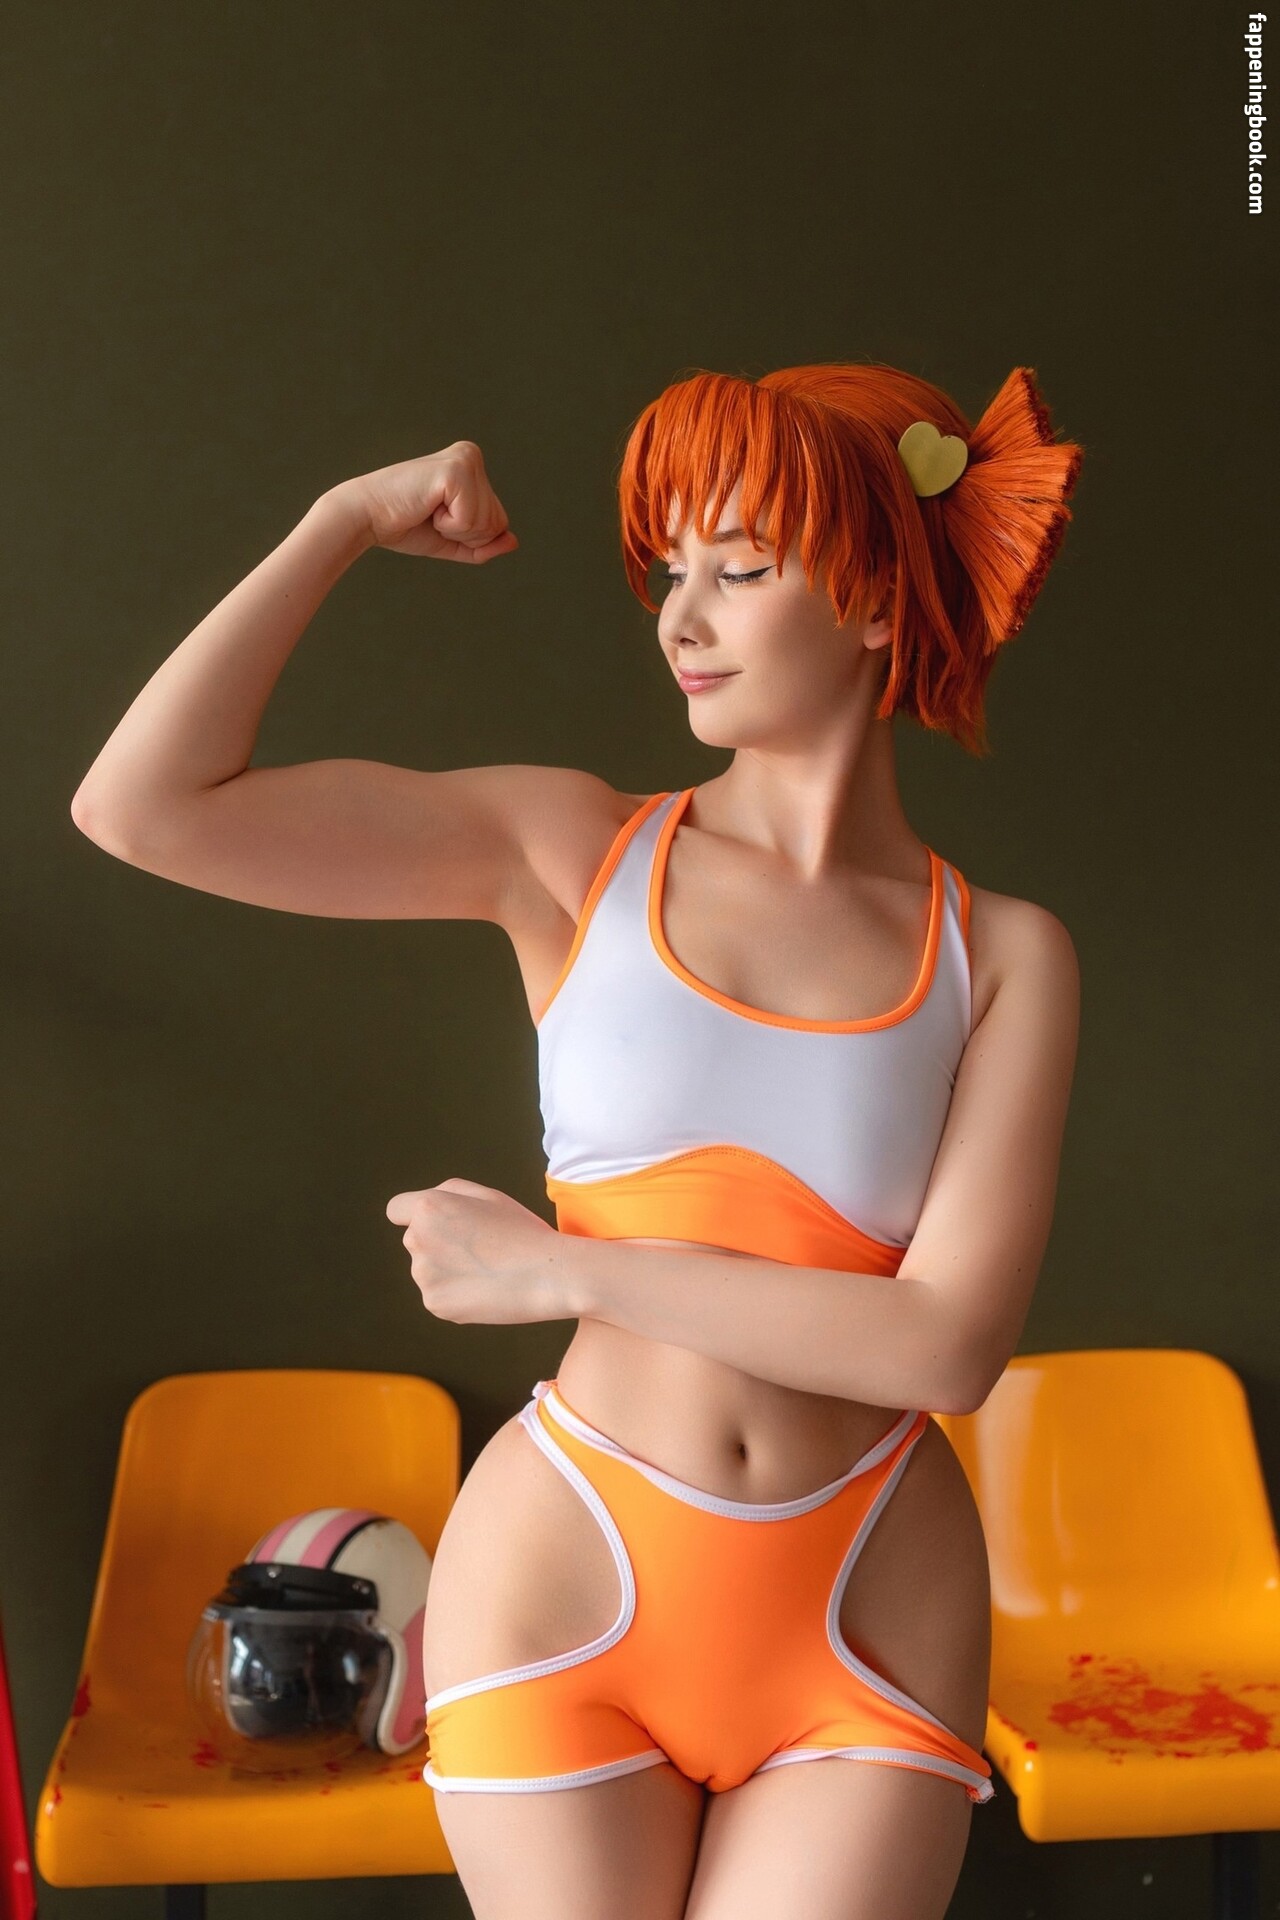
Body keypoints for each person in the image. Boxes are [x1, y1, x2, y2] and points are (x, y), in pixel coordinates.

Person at [70, 360, 1083, 1920]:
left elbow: (945, 1349)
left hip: (874, 1596)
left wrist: (566, 1272)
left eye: (739, 570)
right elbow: (145, 807)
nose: (681, 619)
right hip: (569, 1570)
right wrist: (344, 520)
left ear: (879, 600)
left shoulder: (1003, 954)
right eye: (671, 572)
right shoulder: (572, 849)